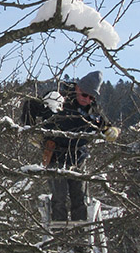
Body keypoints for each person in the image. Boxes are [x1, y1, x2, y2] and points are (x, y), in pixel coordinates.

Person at [21, 71, 120, 224]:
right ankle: (59, 238)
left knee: (79, 198)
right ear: (78, 88)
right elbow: (30, 105)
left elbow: (104, 124)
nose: (87, 100)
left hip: (78, 156)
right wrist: (31, 130)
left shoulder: (92, 109)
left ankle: (79, 242)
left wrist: (112, 131)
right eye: (85, 95)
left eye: (91, 97)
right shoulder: (57, 98)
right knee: (59, 198)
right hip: (55, 152)